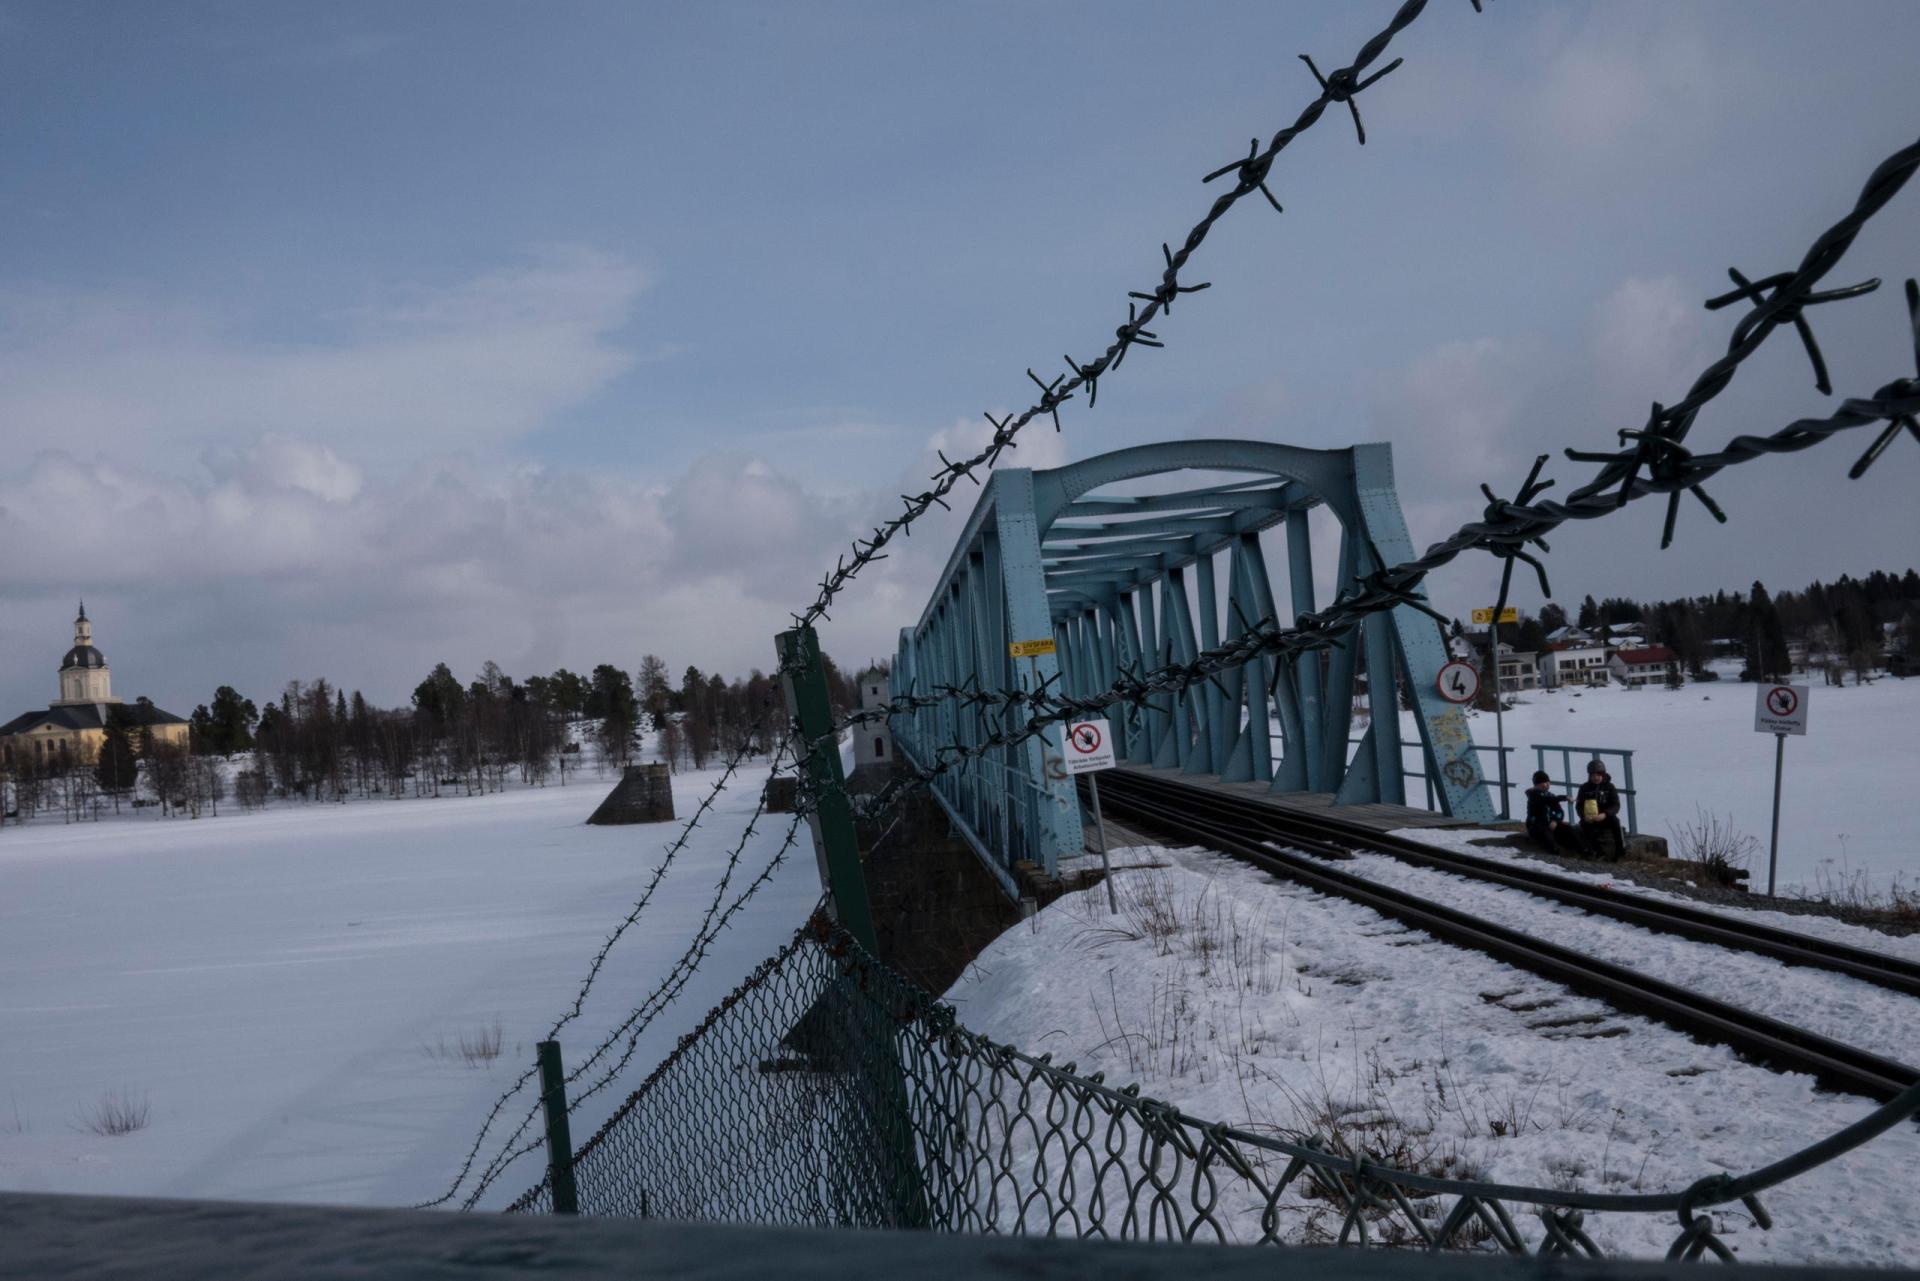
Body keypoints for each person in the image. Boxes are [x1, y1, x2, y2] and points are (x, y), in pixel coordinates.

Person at [1575, 758, 1625, 861]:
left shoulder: (1610, 787)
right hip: (1590, 818)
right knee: (1583, 824)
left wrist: (1605, 814)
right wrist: (1584, 816)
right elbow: (1579, 806)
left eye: (1598, 775)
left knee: (1615, 821)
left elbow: (1616, 805)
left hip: (1605, 817)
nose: (1596, 778)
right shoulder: (1584, 788)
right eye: (1593, 775)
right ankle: (1599, 852)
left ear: (1603, 775)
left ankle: (1620, 851)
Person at [1522, 770, 1575, 852]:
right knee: (1547, 837)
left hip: (1550, 824)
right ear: (1536, 785)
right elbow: (1546, 800)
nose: (1545, 785)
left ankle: (1584, 852)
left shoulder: (1550, 795)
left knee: (1569, 830)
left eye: (1547, 782)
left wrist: (1555, 821)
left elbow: (1560, 812)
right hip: (1536, 826)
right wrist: (1564, 797)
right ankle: (1555, 854)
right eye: (1541, 783)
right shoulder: (1533, 795)